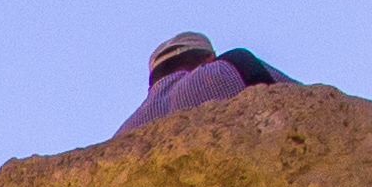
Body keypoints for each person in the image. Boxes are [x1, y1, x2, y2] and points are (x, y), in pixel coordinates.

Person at [121, 32, 288, 134]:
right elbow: (296, 99)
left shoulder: (126, 131)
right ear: (209, 58)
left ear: (151, 85)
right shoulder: (231, 65)